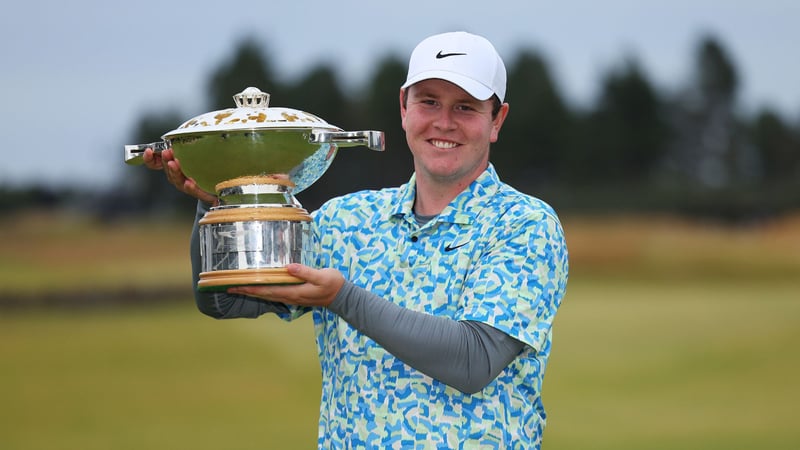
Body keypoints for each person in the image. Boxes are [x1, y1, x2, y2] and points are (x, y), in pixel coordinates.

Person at [144, 31, 568, 449]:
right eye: (429, 102)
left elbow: (473, 360)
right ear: (404, 108)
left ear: (497, 120)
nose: (444, 122)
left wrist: (342, 298)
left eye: (465, 107)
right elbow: (226, 299)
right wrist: (222, 205)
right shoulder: (345, 220)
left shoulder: (525, 224)